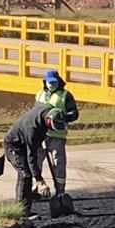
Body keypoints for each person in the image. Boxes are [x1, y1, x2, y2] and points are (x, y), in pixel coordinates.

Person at [3, 103, 63, 214]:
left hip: (24, 142)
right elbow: (32, 156)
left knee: (27, 174)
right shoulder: (32, 129)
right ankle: (21, 212)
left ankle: (26, 210)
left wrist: (43, 136)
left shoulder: (50, 110)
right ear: (48, 120)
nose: (50, 129)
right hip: (14, 145)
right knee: (25, 174)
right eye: (50, 127)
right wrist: (39, 180)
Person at [35, 69, 79, 198]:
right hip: (40, 135)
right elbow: (34, 114)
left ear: (58, 82)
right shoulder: (39, 95)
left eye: (54, 82)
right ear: (45, 82)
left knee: (58, 164)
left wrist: (63, 117)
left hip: (57, 136)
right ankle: (36, 188)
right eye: (49, 82)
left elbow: (74, 113)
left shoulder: (65, 95)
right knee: (36, 162)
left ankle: (60, 191)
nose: (51, 85)